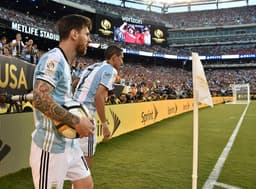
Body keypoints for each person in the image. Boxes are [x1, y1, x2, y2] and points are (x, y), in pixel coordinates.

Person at [29, 14, 94, 189]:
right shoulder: (53, 59)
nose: (89, 39)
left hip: (69, 143)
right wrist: (77, 121)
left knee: (85, 185)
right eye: (86, 34)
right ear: (74, 34)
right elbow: (39, 99)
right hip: (50, 147)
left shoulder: (65, 63)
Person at [73, 45, 124, 168]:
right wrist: (105, 125)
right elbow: (98, 96)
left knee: (72, 159)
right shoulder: (111, 70)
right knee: (85, 163)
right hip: (86, 115)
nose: (122, 62)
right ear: (114, 58)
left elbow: (75, 83)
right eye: (121, 58)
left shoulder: (93, 66)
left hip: (72, 111)